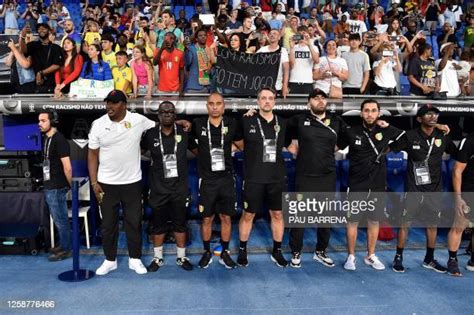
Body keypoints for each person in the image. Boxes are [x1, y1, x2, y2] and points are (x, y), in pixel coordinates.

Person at [88, 90, 156, 276]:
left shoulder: (138, 120)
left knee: (133, 223)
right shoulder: (98, 124)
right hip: (105, 184)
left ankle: (135, 259)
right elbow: (92, 154)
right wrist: (94, 183)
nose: (109, 106)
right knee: (108, 225)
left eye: (114, 103)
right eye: (108, 102)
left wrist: (180, 123)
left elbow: (158, 126)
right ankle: (110, 260)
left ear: (124, 105)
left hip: (132, 183)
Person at [390, 105, 457, 273]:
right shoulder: (410, 136)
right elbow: (390, 148)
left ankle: (429, 258)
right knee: (406, 223)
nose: (433, 116)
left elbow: (456, 153)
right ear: (419, 119)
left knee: (432, 224)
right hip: (413, 188)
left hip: (434, 188)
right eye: (428, 114)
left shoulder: (442, 135)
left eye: (435, 113)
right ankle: (398, 257)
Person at [339, 99, 404, 271]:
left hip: (377, 184)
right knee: (352, 221)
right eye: (366, 110)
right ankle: (351, 256)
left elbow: (405, 138)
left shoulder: (385, 130)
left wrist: (388, 131)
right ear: (361, 113)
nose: (370, 114)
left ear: (378, 113)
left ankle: (370, 255)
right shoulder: (351, 132)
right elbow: (336, 146)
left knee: (374, 220)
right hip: (356, 184)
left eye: (373, 110)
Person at [288, 88, 347, 268]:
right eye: (316, 98)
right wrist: (293, 149)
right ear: (309, 103)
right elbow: (280, 130)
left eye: (323, 98)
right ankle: (296, 251)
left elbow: (346, 139)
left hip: (327, 174)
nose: (320, 101)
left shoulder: (336, 121)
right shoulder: (299, 120)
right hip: (304, 174)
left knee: (325, 216)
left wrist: (332, 151)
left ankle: (320, 251)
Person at [234, 88, 289, 268]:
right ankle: (242, 250)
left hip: (276, 177)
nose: (267, 101)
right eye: (263, 98)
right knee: (248, 214)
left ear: (274, 102)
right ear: (258, 102)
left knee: (278, 214)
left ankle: (277, 250)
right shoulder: (246, 120)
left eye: (270, 98)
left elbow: (291, 145)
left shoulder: (283, 122)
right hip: (253, 177)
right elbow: (237, 142)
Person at [142, 101, 197, 272]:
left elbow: (196, 151)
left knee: (180, 223)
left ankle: (181, 257)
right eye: (163, 112)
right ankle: (157, 258)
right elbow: (141, 151)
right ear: (158, 115)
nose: (167, 114)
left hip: (179, 188)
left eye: (170, 112)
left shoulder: (184, 132)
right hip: (158, 188)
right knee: (158, 224)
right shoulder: (150, 134)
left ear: (175, 115)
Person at [192, 92, 240, 269]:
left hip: (227, 178)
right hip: (207, 179)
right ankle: (206, 252)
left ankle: (225, 252)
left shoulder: (232, 123)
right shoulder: (198, 124)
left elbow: (242, 144)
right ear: (207, 106)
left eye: (218, 103)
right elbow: (191, 146)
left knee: (226, 217)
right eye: (211, 103)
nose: (214, 106)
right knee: (207, 218)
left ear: (223, 106)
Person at [38, 111, 72, 262]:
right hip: (49, 184)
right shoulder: (47, 138)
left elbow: (68, 167)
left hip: (56, 185)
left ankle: (66, 248)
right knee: (58, 218)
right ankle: (63, 244)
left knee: (61, 219)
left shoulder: (59, 139)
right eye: (39, 121)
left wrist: (71, 185)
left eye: (43, 121)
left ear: (52, 121)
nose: (40, 123)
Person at [447, 133, 474, 276]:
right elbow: (457, 170)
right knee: (459, 226)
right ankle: (452, 260)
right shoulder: (469, 141)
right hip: (468, 190)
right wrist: (458, 197)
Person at [19, 23, 63, 93]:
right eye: (39, 29)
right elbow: (24, 50)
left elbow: (56, 65)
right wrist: (23, 37)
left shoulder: (56, 48)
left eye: (44, 28)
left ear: (49, 31)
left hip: (52, 84)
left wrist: (41, 73)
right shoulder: (34, 45)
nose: (41, 30)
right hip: (37, 83)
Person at [257, 29, 289, 98]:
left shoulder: (283, 51)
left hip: (277, 87)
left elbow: (286, 70)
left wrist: (285, 86)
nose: (272, 35)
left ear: (279, 37)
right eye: (270, 34)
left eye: (275, 33)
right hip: (262, 87)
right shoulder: (262, 50)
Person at [288, 25, 320, 95]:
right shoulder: (293, 47)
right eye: (300, 34)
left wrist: (309, 45)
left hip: (308, 81)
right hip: (294, 80)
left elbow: (317, 61)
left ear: (308, 34)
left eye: (304, 33)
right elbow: (291, 64)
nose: (302, 36)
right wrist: (291, 48)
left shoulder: (314, 47)